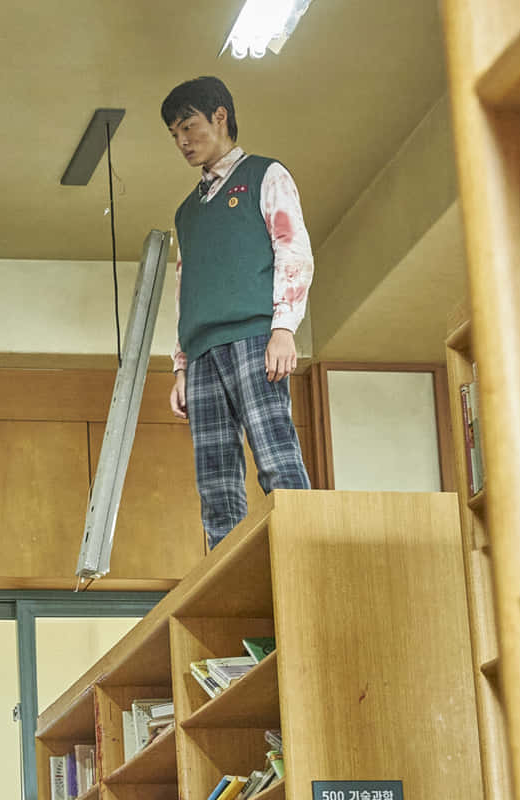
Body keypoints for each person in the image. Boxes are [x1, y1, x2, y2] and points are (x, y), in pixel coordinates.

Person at [161, 74, 314, 547]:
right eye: (175, 135)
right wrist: (181, 365)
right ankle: (223, 576)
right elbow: (187, 287)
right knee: (215, 480)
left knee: (274, 452)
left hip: (255, 337)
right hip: (202, 353)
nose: (183, 142)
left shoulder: (265, 175)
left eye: (188, 126)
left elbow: (293, 250)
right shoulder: (187, 212)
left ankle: (305, 551)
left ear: (220, 116)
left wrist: (284, 328)